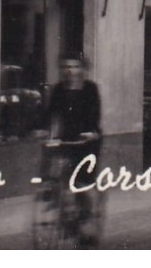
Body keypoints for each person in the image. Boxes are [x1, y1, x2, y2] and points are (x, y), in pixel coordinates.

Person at [43, 54, 103, 246]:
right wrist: (43, 130)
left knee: (83, 181)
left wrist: (91, 132)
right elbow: (50, 113)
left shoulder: (90, 89)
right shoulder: (58, 90)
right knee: (53, 167)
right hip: (65, 138)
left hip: (87, 140)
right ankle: (53, 195)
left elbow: (95, 113)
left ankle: (87, 219)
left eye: (75, 66)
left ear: (82, 70)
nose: (70, 70)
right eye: (66, 66)